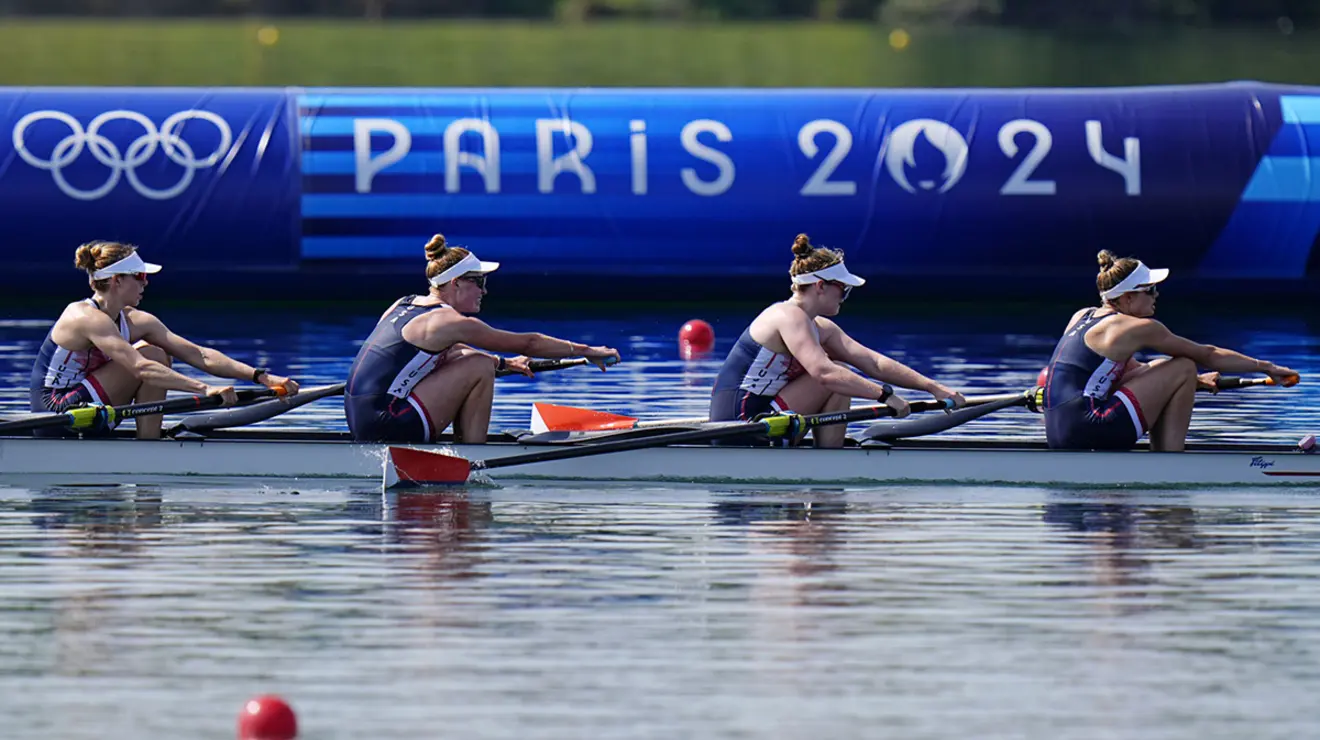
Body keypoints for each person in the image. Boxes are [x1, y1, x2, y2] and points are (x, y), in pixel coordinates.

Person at [344, 234, 621, 444]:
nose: (484, 291)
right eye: (479, 282)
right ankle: (473, 456)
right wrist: (589, 350)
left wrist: (504, 363)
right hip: (388, 423)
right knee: (478, 365)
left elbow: (446, 351)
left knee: (476, 359)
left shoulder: (404, 303)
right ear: (456, 283)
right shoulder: (449, 321)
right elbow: (530, 344)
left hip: (361, 419)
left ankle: (465, 449)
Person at [708, 233, 966, 448]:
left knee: (841, 375)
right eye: (842, 289)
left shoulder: (820, 327)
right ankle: (829, 465)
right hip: (738, 427)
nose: (844, 296)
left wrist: (933, 387)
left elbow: (874, 363)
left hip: (770, 422)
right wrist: (885, 396)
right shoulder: (787, 316)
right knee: (837, 375)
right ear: (820, 286)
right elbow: (823, 373)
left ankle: (829, 464)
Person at [29, 241, 300, 439]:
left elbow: (200, 355)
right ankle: (149, 446)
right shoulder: (84, 316)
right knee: (151, 357)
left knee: (156, 352)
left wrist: (262, 377)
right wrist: (205, 389)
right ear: (117, 281)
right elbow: (140, 368)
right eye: (141, 276)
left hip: (90, 409)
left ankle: (149, 444)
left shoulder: (137, 321)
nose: (146, 283)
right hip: (55, 412)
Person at [1041, 250, 1299, 452]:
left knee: (1161, 366)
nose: (1156, 296)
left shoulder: (1081, 316)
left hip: (1058, 432)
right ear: (1127, 298)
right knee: (1184, 365)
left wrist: (1194, 382)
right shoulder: (1138, 328)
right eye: (1149, 290)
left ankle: (1162, 456)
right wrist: (1266, 366)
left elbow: (1130, 373)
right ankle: (1170, 460)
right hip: (1092, 426)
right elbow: (1207, 354)